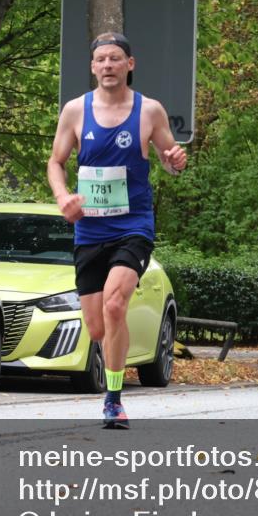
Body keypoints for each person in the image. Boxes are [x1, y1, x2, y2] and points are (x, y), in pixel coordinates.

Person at [48, 32, 187, 429]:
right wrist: (63, 198)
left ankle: (113, 400)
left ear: (130, 64)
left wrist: (176, 161)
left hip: (133, 225)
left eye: (115, 58)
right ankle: (113, 377)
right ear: (92, 67)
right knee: (96, 326)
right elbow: (56, 162)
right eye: (101, 60)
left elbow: (170, 160)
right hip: (89, 231)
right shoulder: (75, 110)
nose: (108, 65)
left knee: (114, 305)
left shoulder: (149, 111)